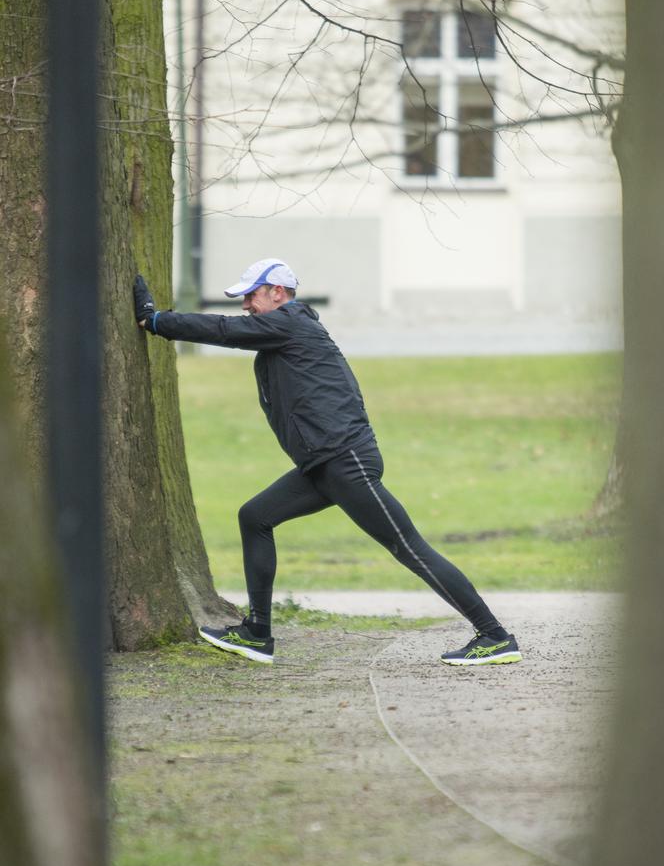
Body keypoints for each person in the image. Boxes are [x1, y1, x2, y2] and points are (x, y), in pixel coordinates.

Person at [133, 259, 522, 667]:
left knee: (408, 546)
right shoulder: (282, 333)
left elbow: (224, 330)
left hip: (344, 461)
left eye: (251, 294)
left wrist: (157, 321)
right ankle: (257, 634)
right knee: (255, 517)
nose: (246, 303)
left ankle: (495, 636)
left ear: (277, 293)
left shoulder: (290, 323)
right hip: (324, 464)